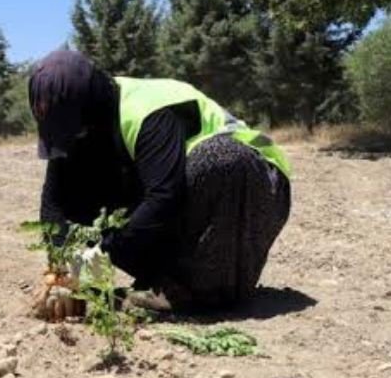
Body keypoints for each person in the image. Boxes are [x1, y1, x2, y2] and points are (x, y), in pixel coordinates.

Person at [30, 49, 292, 312]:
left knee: (219, 159)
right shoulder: (81, 124)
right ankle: (167, 282)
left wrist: (88, 266)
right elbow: (55, 205)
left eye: (77, 130)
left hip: (256, 187)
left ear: (93, 108)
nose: (75, 138)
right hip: (191, 196)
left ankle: (198, 290)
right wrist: (62, 274)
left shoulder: (147, 110)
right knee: (81, 178)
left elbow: (164, 196)